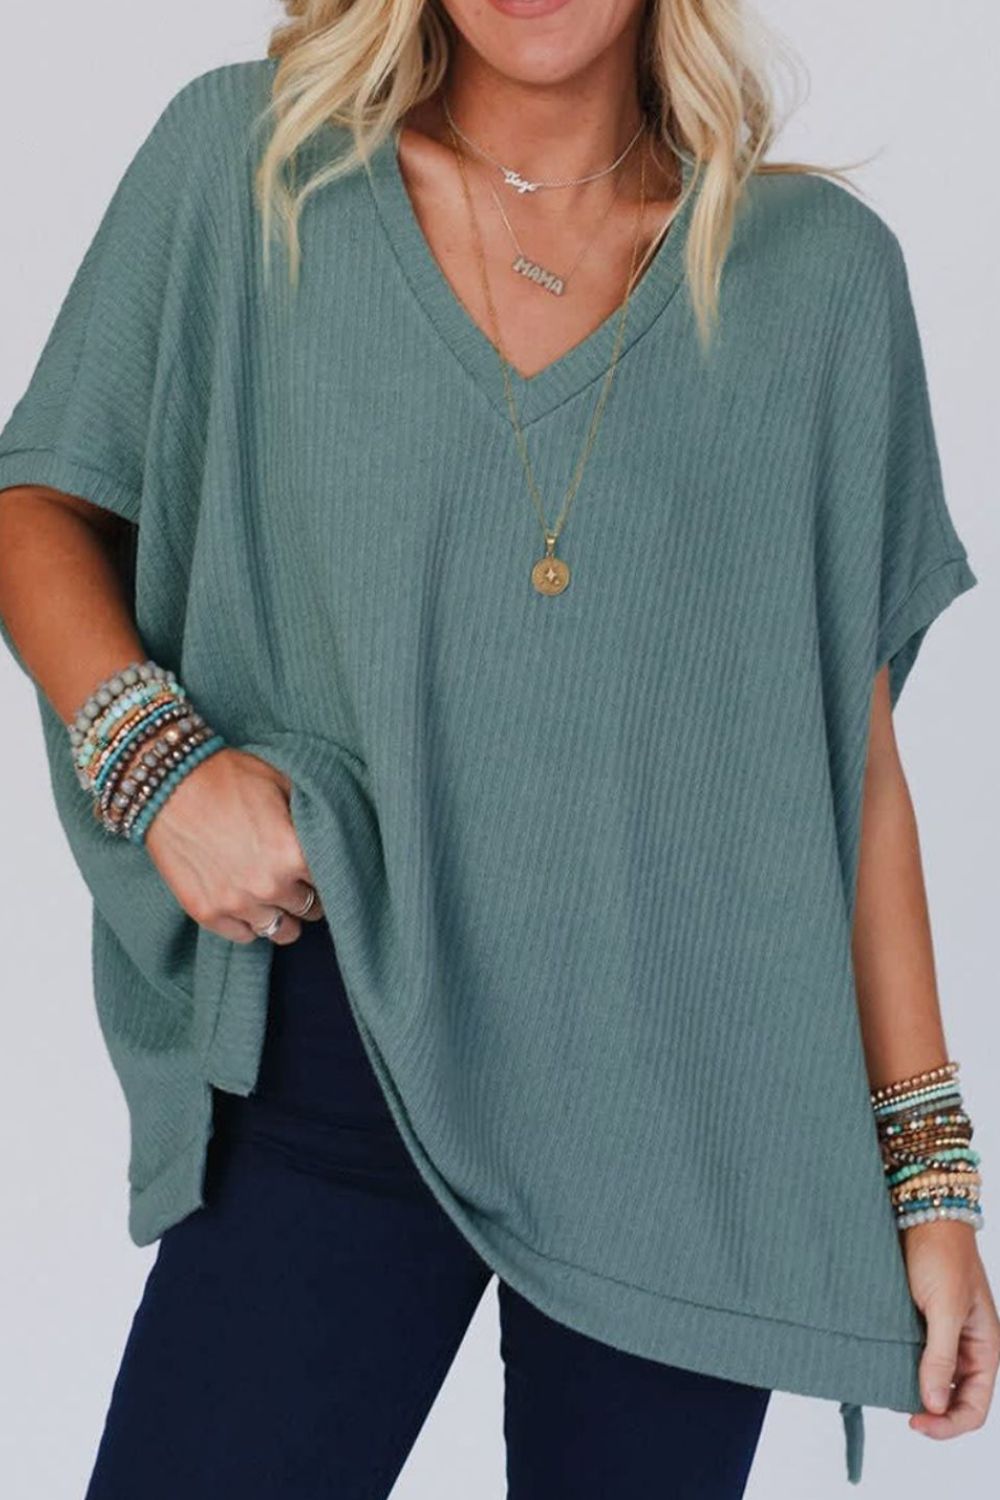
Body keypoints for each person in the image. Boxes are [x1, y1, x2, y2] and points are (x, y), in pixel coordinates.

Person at [0, 1, 996, 1495]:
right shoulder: (252, 170)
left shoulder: (818, 283)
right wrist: (161, 767)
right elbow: (41, 503)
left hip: (684, 1122)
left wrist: (931, 1184)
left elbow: (844, 771)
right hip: (339, 1052)